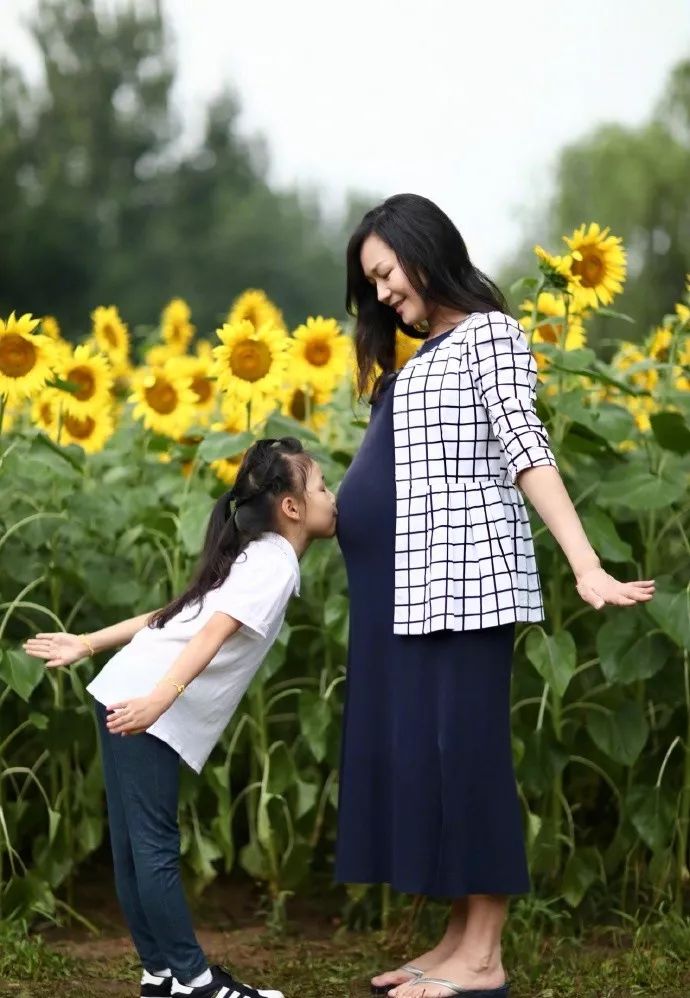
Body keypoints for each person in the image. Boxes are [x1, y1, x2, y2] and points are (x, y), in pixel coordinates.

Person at [334, 193, 655, 998]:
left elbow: (526, 448)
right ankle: (456, 940)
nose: (381, 295)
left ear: (423, 249)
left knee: (469, 759)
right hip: (414, 593)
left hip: (470, 586)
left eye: (385, 274)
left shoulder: (491, 334)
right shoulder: (428, 353)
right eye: (369, 284)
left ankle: (484, 957)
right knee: (438, 760)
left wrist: (583, 563)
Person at [24, 437, 337, 998]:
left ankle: (160, 974)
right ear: (292, 507)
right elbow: (211, 632)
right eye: (321, 487)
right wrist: (160, 699)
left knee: (133, 846)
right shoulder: (273, 565)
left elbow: (175, 613)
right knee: (153, 846)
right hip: (144, 699)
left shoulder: (259, 555)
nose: (332, 497)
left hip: (130, 688)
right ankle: (197, 982)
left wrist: (89, 643)